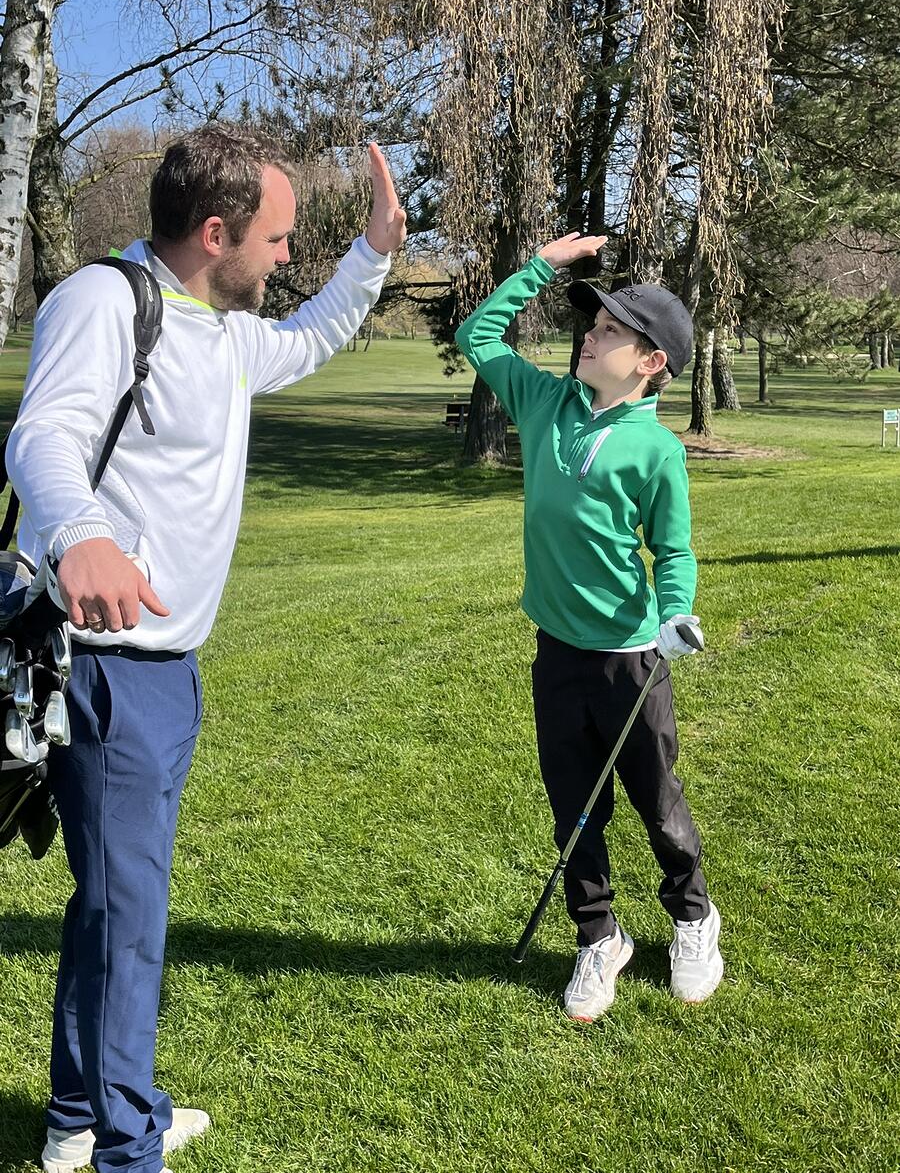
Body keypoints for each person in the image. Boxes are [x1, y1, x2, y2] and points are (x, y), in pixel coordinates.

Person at [6, 125, 406, 1173]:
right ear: (216, 231)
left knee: (110, 906)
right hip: (105, 670)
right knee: (131, 920)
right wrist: (80, 534)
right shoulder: (104, 303)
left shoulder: (223, 331)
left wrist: (374, 252)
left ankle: (76, 1116)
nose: (287, 260)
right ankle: (125, 1149)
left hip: (166, 672)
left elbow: (315, 338)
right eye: (277, 242)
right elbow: (44, 434)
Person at [455, 231, 723, 1021]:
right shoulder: (545, 401)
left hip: (631, 660)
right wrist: (542, 265)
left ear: (650, 363)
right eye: (592, 324)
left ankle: (693, 916)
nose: (590, 335)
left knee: (657, 801)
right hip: (557, 652)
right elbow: (478, 335)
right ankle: (598, 936)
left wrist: (676, 612)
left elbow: (671, 551)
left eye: (609, 331)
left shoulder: (655, 450)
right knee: (574, 803)